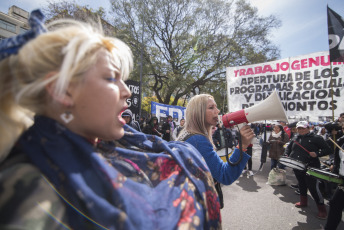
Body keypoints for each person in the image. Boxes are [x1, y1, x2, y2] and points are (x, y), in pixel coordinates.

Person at [0, 10, 221, 229]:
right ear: (63, 91)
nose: (127, 92)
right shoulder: (30, 189)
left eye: (122, 79)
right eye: (110, 78)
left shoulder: (117, 144)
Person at [177, 94, 254, 185]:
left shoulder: (189, 135)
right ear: (198, 112)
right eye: (211, 107)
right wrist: (242, 146)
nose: (217, 111)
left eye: (216, 107)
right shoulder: (198, 140)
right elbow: (225, 175)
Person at [284, 121, 332, 219]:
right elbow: (288, 148)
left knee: (313, 188)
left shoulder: (316, 138)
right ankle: (303, 201)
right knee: (301, 184)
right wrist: (286, 155)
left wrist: (317, 154)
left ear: (308, 128)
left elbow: (328, 150)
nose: (301, 130)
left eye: (303, 128)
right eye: (299, 128)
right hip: (297, 166)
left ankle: (322, 210)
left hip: (311, 166)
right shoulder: (295, 137)